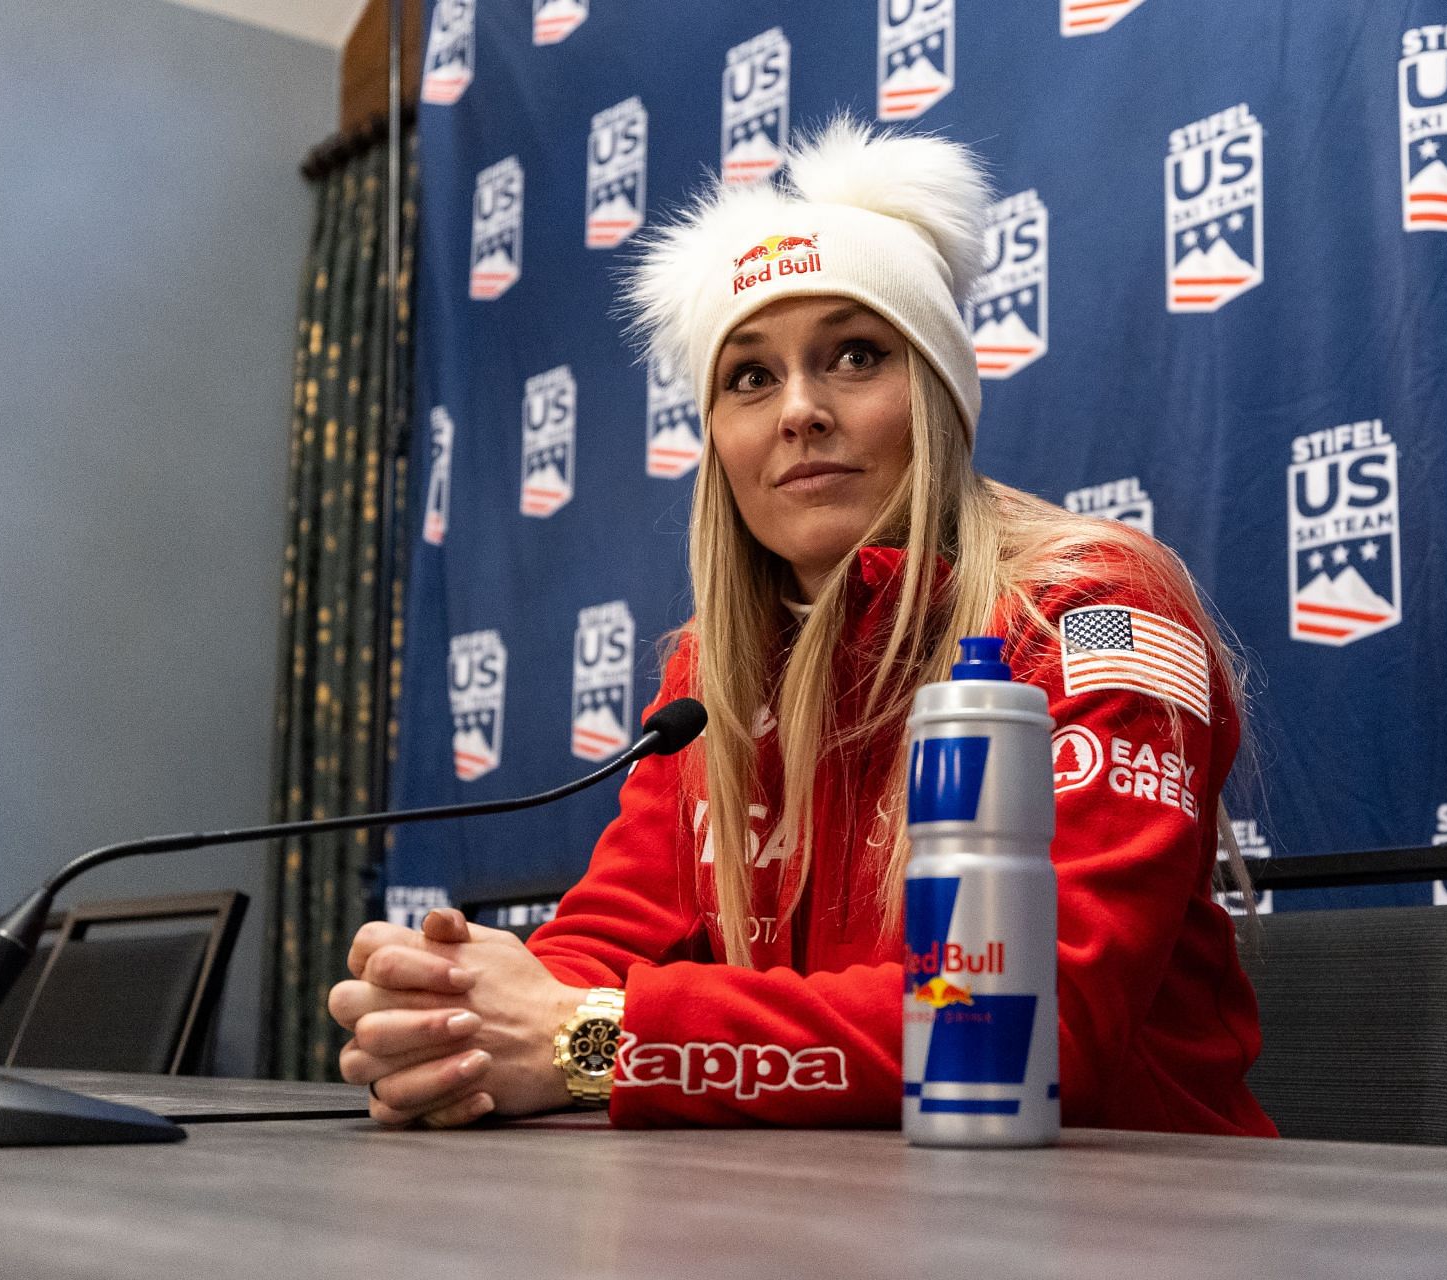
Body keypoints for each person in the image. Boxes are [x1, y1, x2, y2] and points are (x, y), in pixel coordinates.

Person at [328, 118, 1276, 1137]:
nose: (799, 411)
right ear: (718, 442)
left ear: (940, 403)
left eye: (855, 355)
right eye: (750, 376)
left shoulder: (1091, 612)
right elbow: (600, 942)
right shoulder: (711, 677)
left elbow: (1015, 1029)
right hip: (826, 1213)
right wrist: (454, 1020)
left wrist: (586, 1040)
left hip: (1131, 1222)